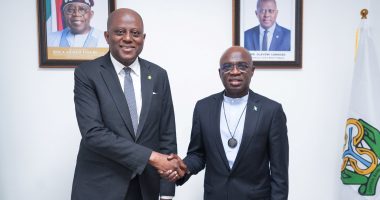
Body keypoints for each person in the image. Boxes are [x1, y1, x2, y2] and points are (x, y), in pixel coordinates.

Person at [71, 8, 185, 200]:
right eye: (120, 32)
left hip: (145, 188)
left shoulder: (158, 75)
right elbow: (93, 133)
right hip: (100, 188)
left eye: (135, 33)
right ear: (107, 36)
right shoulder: (87, 73)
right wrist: (152, 157)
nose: (128, 38)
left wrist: (166, 192)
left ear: (143, 38)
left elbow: (166, 134)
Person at [166, 46, 289, 199]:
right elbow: (197, 154)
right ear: (220, 73)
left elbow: (280, 173)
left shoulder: (271, 111)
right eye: (227, 67)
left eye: (242, 66)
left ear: (252, 70)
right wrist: (184, 167)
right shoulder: (203, 108)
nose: (235, 71)